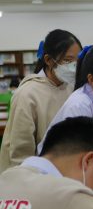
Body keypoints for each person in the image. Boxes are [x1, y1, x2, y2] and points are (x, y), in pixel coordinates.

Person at [0, 29, 82, 172]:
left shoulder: (71, 87)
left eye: (77, 60)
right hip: (36, 174)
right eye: (68, 60)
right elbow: (20, 151)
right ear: (49, 60)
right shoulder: (27, 94)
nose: (73, 67)